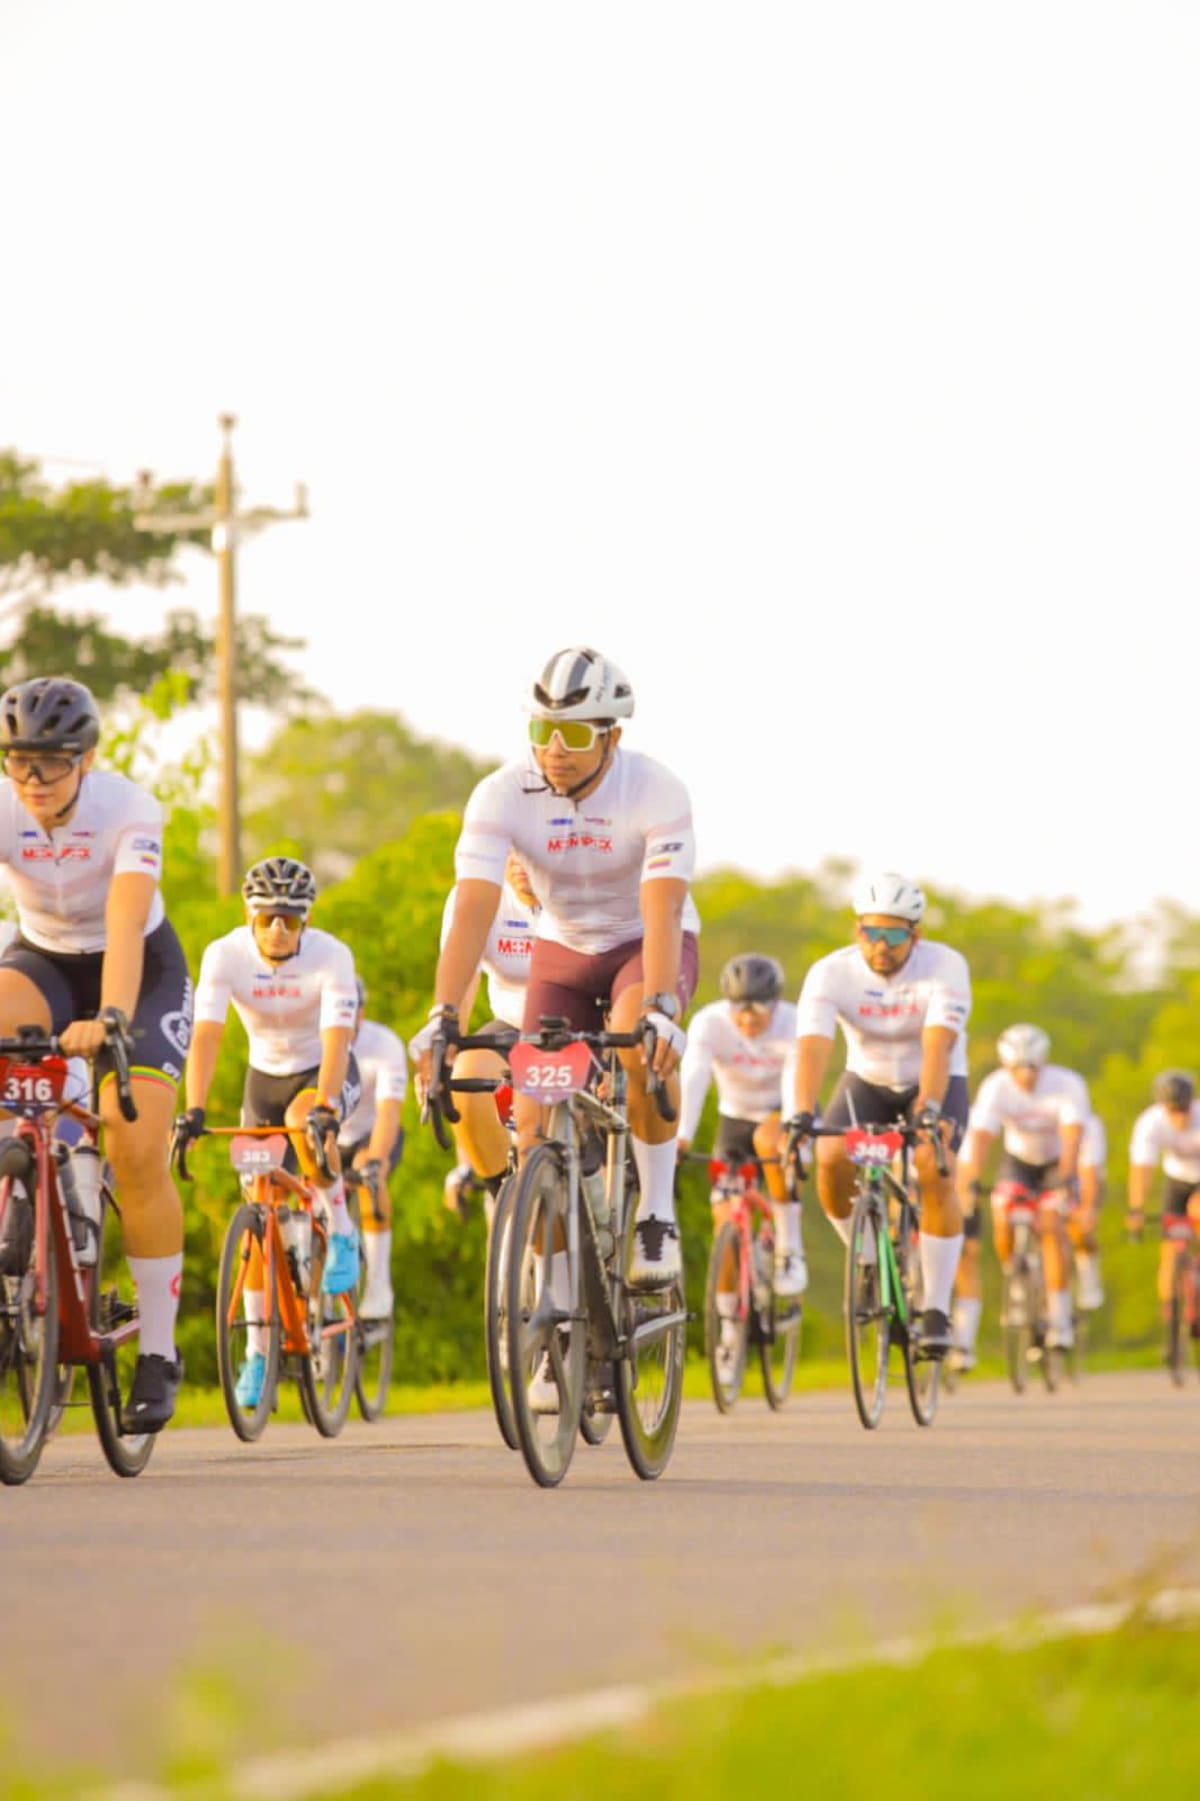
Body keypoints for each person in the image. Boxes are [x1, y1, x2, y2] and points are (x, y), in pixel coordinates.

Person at [412, 647, 699, 1315]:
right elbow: (472, 907)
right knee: (533, 1125)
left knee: (637, 1041)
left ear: (611, 738)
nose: (555, 751)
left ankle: (655, 1212)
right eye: (542, 731)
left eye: (573, 734)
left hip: (642, 942)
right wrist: (442, 1016)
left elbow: (662, 906)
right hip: (562, 950)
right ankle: (558, 1303)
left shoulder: (655, 790)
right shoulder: (502, 793)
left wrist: (661, 1005)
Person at [0, 677, 193, 1431]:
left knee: (135, 1144)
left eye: (51, 761)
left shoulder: (129, 809)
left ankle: (159, 1352)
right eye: (18, 761)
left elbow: (124, 916)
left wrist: (110, 1016)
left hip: (137, 967)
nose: (34, 779)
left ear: (85, 759)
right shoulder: (5, 803)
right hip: (42, 960)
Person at [177, 857, 360, 1408]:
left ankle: (341, 1226)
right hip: (262, 1083)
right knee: (258, 1226)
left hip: (320, 1073)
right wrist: (193, 1109)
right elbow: (206, 1035)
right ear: (248, 916)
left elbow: (336, 1039)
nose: (278, 929)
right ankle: (258, 1353)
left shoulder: (332, 955)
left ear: (307, 921)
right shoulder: (224, 954)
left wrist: (327, 1104)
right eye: (267, 919)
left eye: (290, 919)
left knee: (308, 1123)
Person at [788, 872, 970, 1356]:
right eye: (871, 932)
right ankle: (867, 1260)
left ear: (916, 935)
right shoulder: (831, 972)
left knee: (933, 1165)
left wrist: (929, 1109)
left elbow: (938, 1045)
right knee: (830, 1158)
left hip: (935, 1080)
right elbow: (813, 1047)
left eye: (893, 934)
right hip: (867, 1080)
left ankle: (936, 1307)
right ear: (857, 930)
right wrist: (802, 1111)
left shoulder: (945, 967)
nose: (881, 945)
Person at [957, 1024, 1088, 1354]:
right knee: (1002, 1213)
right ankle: (1016, 1278)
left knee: (1051, 1228)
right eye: (1018, 1068)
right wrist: (972, 1178)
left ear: (1042, 1063)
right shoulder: (996, 1087)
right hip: (1018, 1162)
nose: (1026, 1075)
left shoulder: (1067, 1084)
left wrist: (1065, 1178)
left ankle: (1059, 1318)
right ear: (1006, 1066)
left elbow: (1072, 1136)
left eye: (1032, 1067)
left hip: (1056, 1162)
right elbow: (982, 1137)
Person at [437, 853, 537, 1219]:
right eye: (510, 847)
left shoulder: (577, 886)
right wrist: (445, 1048)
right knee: (464, 1076)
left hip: (583, 1022)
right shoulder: (480, 893)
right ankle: (508, 1207)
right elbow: (462, 979)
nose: (519, 859)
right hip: (513, 1024)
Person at [338, 975, 407, 1320]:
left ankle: (379, 1284)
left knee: (370, 1179)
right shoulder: (314, 1041)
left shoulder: (384, 1044)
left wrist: (376, 1161)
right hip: (333, 1136)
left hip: (372, 1133)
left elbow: (389, 1111)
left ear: (362, 1012)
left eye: (355, 1010)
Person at [1126, 1070, 1200, 1320]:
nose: (1180, 1116)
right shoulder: (1151, 1123)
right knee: (1169, 1249)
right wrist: (1136, 1209)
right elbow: (1141, 1169)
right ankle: (1171, 1308)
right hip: (1177, 1182)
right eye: (1173, 1110)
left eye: (1184, 1108)